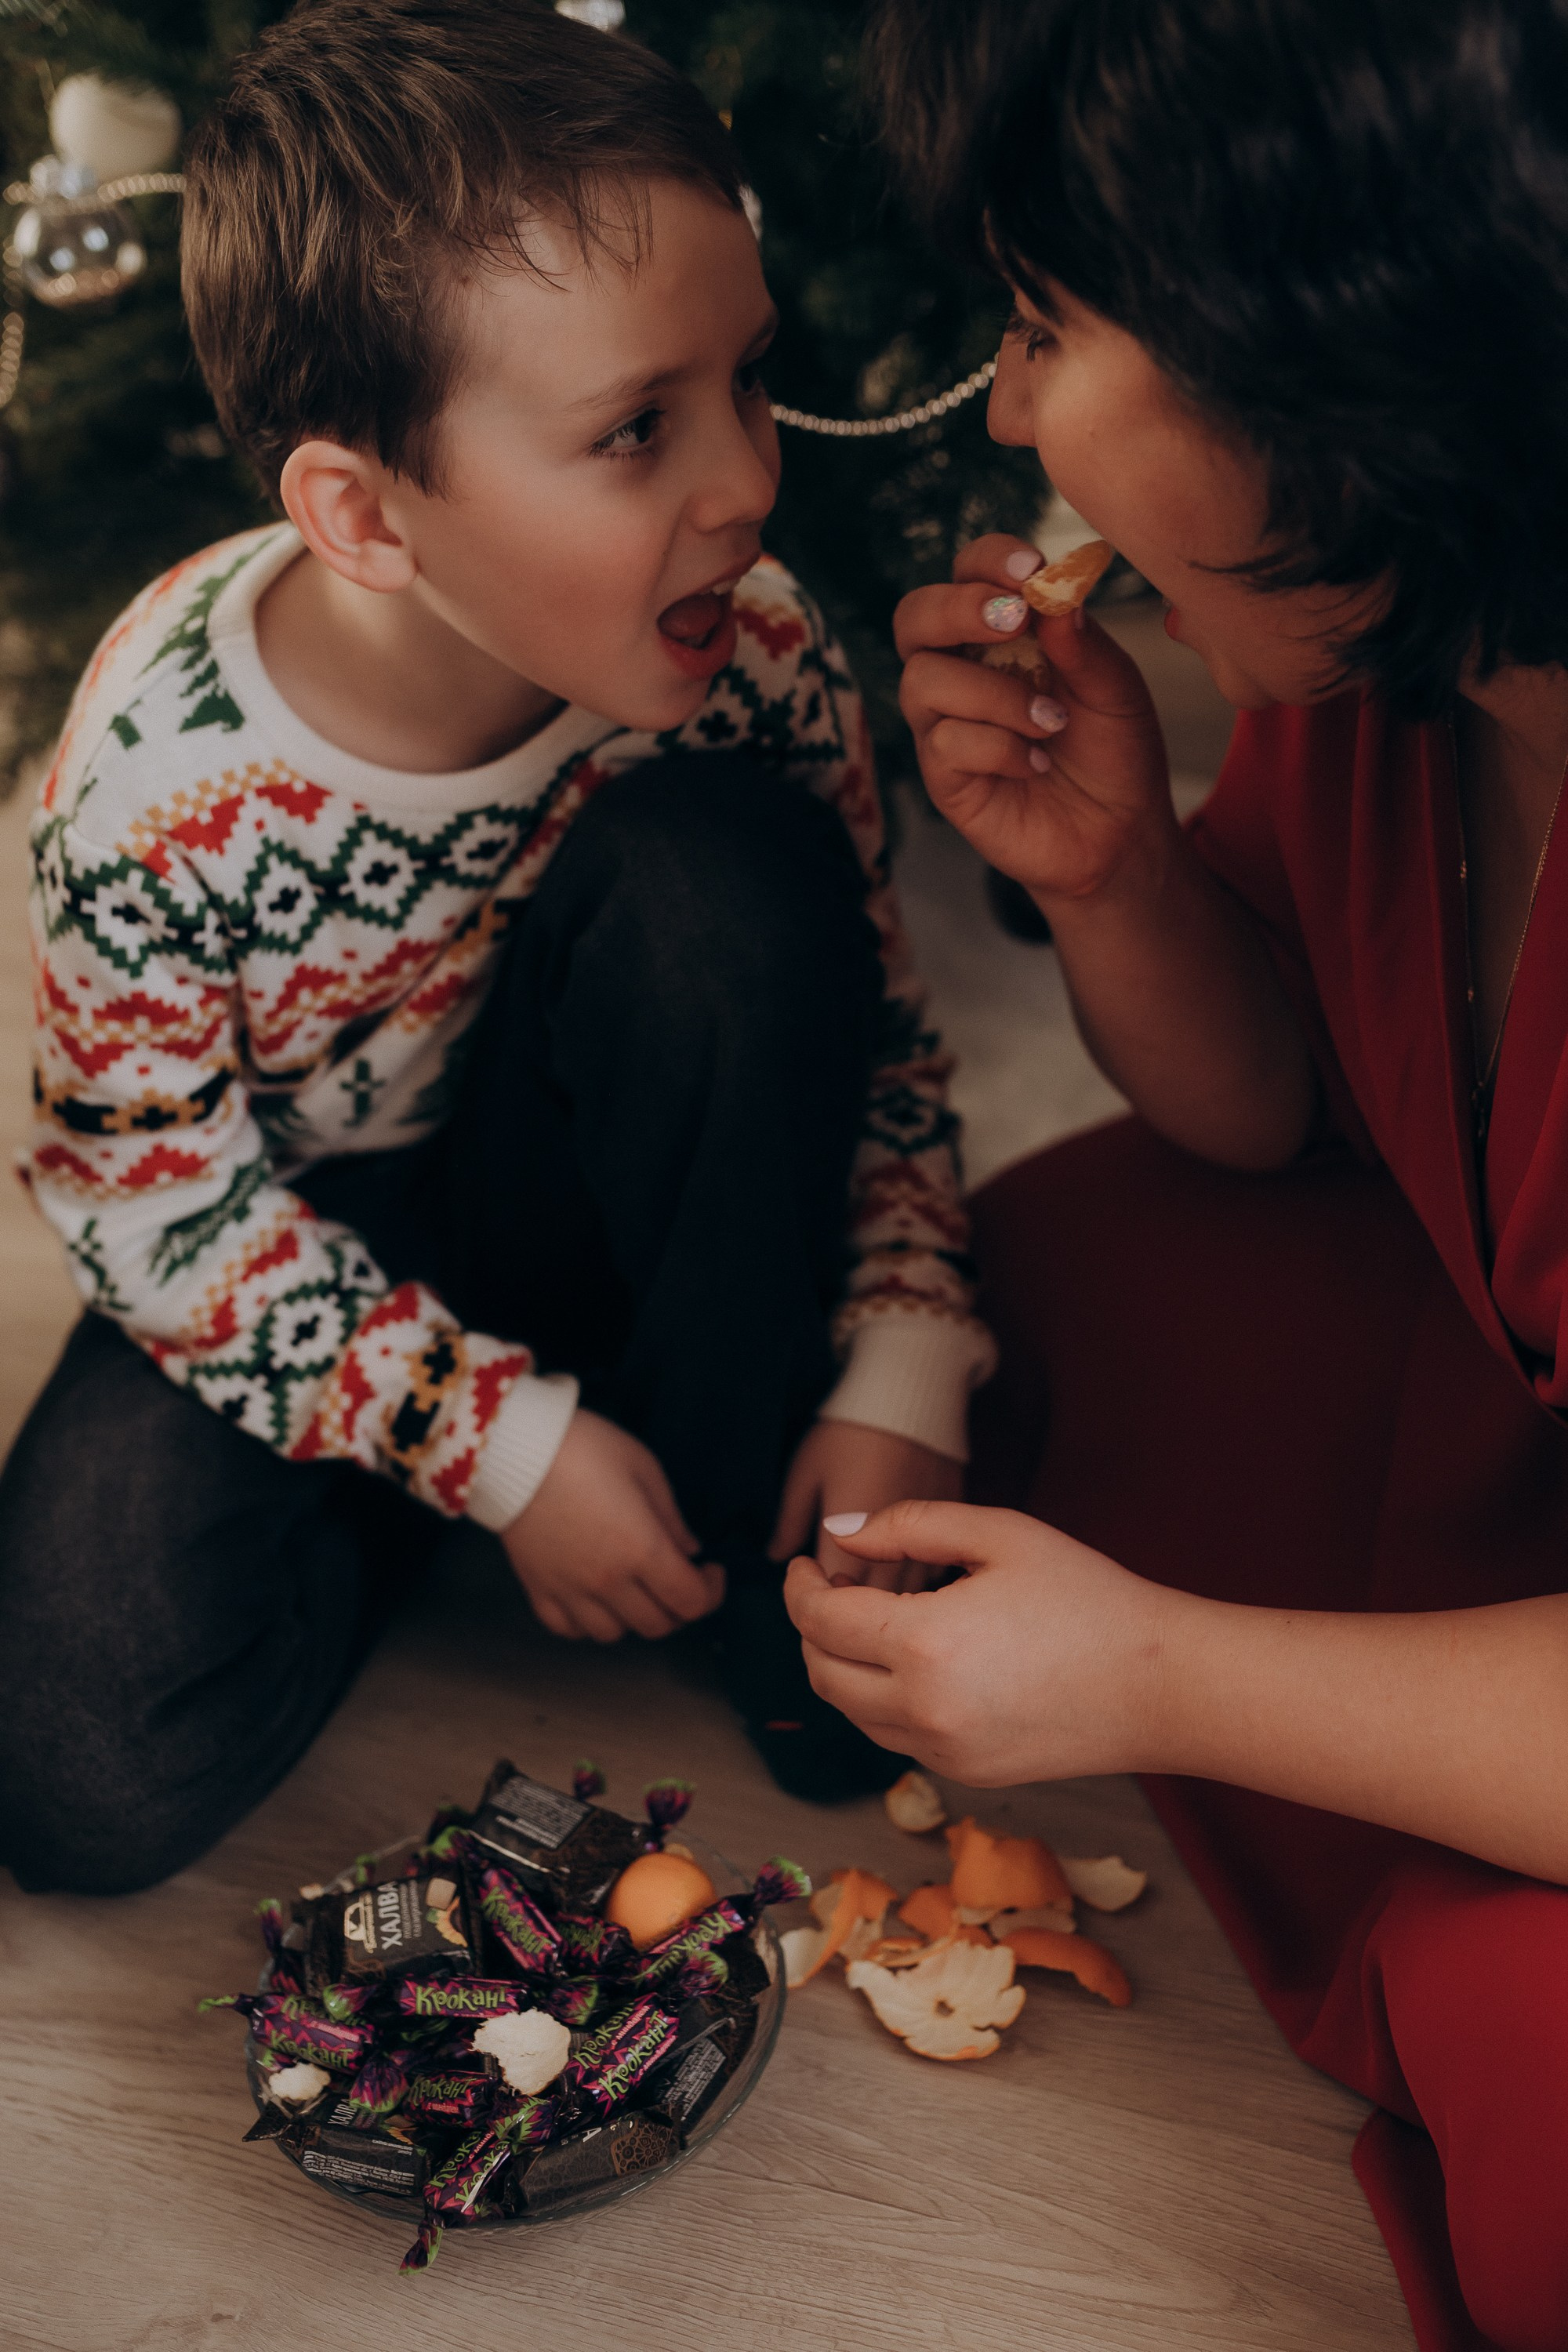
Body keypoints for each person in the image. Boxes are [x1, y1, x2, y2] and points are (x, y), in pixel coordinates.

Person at [0, 0, 996, 1896]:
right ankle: (460, 1489)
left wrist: (904, 1364)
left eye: (749, 383)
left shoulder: (753, 649)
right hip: (314, 1237)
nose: (744, 485)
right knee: (69, 1772)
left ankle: (710, 1486)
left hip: (633, 1186)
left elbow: (872, 1041)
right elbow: (149, 1207)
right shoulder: (151, 781)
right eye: (635, 429)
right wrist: (491, 1446)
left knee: (728, 895)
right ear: (362, 517)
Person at [786, 2, 1568, 2346]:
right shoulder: (1410, 693)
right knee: (1071, 1262)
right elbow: (1288, 1115)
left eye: (1045, 326)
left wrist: (1158, 1676)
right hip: (1484, 1388)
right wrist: (1117, 879)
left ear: (1350, 367)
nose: (1008, 415)